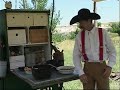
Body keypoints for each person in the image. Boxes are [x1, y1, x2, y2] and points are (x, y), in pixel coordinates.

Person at [70, 8, 116, 90]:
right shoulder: (79, 36)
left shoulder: (103, 33)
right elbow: (76, 55)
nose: (80, 24)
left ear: (89, 20)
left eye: (81, 22)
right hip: (87, 69)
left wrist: (110, 67)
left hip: (102, 69)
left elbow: (112, 51)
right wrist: (81, 73)